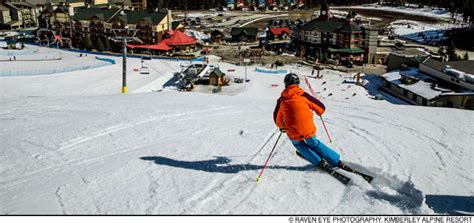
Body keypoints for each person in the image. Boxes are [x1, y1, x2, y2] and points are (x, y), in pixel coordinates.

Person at [273, 73, 347, 170]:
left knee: (299, 144)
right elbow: (321, 108)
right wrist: (319, 112)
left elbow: (276, 118)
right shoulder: (304, 95)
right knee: (314, 143)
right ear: (298, 83)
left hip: (293, 131)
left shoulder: (281, 100)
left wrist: (283, 127)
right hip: (308, 129)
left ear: (285, 84)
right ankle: (336, 161)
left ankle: (319, 162)